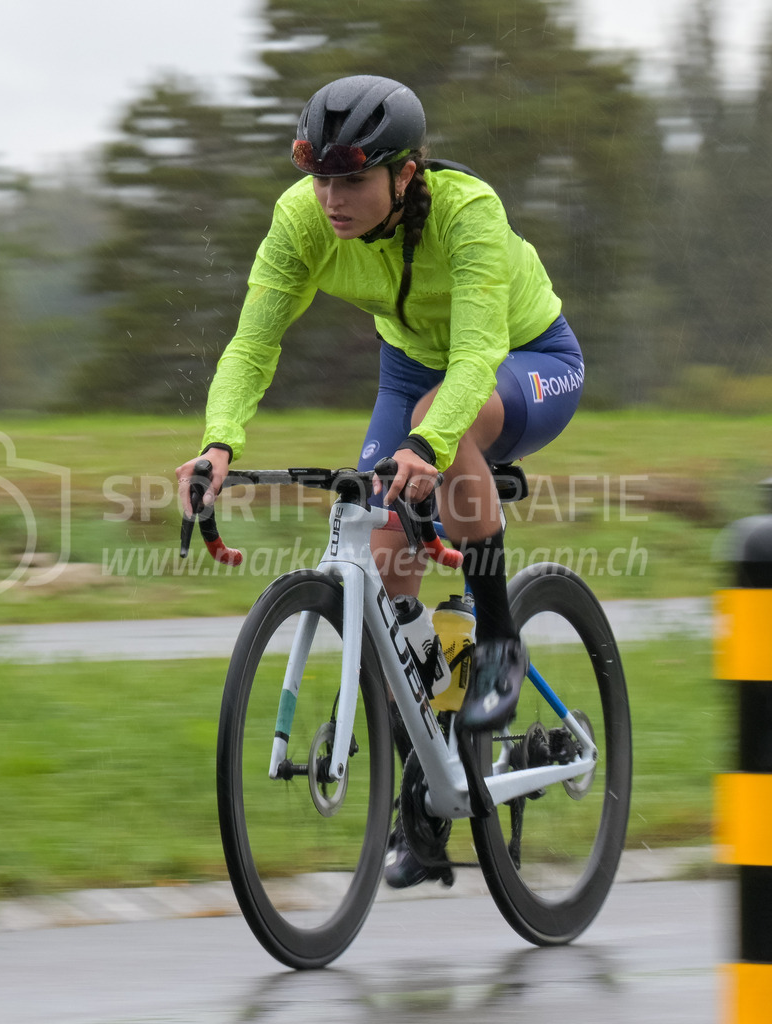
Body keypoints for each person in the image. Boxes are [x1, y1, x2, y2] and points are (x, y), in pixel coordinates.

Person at [176, 75, 584, 888]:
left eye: (352, 179)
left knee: (447, 412)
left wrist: (429, 445)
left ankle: (498, 636)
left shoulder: (469, 213)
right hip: (408, 367)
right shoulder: (300, 220)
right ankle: (432, 796)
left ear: (405, 175)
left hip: (526, 359)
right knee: (388, 554)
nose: (331, 198)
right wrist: (217, 443)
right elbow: (252, 344)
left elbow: (474, 357)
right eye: (320, 178)